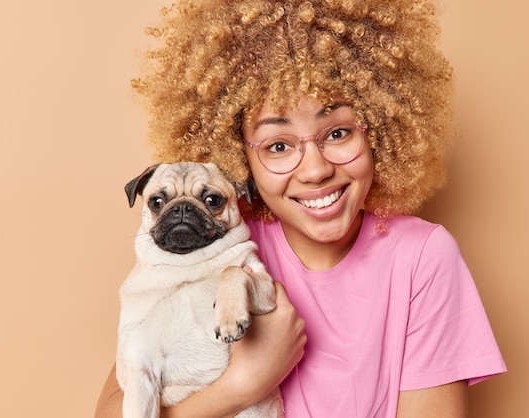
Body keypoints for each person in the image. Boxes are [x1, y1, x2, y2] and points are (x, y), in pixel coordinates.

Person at [95, 0, 507, 416]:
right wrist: (243, 385)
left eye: (339, 132)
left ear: (380, 131)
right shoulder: (222, 243)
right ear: (238, 157)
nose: (315, 169)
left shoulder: (421, 257)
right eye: (278, 145)